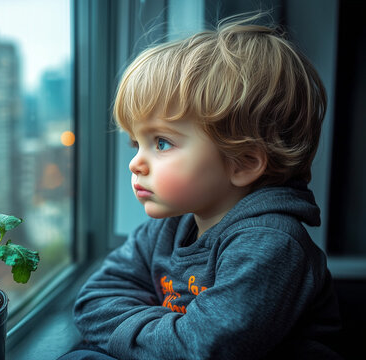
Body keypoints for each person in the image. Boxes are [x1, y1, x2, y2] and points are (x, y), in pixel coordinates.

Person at [60, 13, 343, 360]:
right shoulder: (165, 230)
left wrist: (144, 332)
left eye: (161, 142)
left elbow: (203, 348)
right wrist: (169, 332)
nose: (135, 163)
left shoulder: (271, 244)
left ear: (243, 162)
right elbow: (93, 301)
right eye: (136, 143)